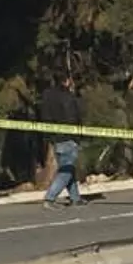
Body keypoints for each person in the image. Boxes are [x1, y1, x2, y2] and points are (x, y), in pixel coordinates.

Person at [39, 71, 86, 210]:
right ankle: (50, 198)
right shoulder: (68, 97)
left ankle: (75, 198)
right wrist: (78, 135)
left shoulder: (47, 96)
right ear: (66, 81)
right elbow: (73, 117)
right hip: (68, 137)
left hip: (55, 137)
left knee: (67, 168)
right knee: (67, 170)